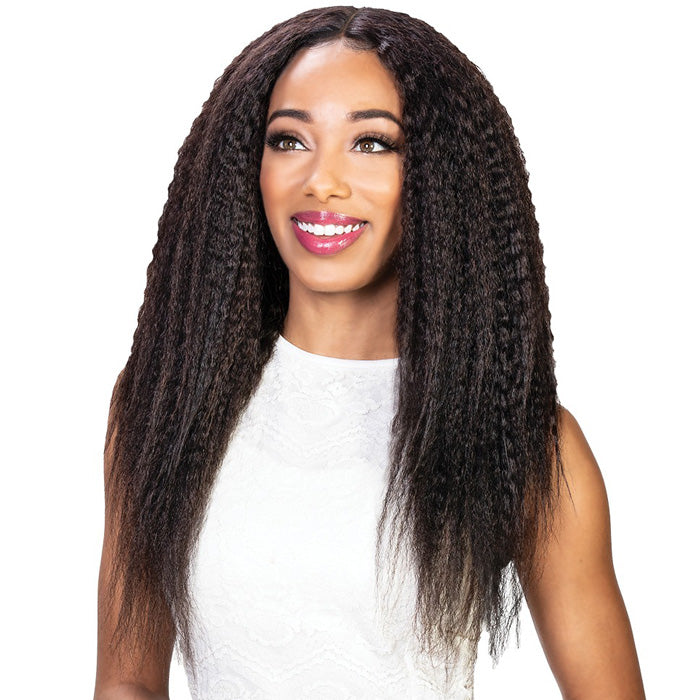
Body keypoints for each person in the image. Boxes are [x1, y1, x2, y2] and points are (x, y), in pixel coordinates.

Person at [94, 6, 645, 699]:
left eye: (373, 143)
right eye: (289, 140)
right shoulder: (164, 402)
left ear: (439, 178)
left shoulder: (521, 439)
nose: (322, 180)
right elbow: (127, 682)